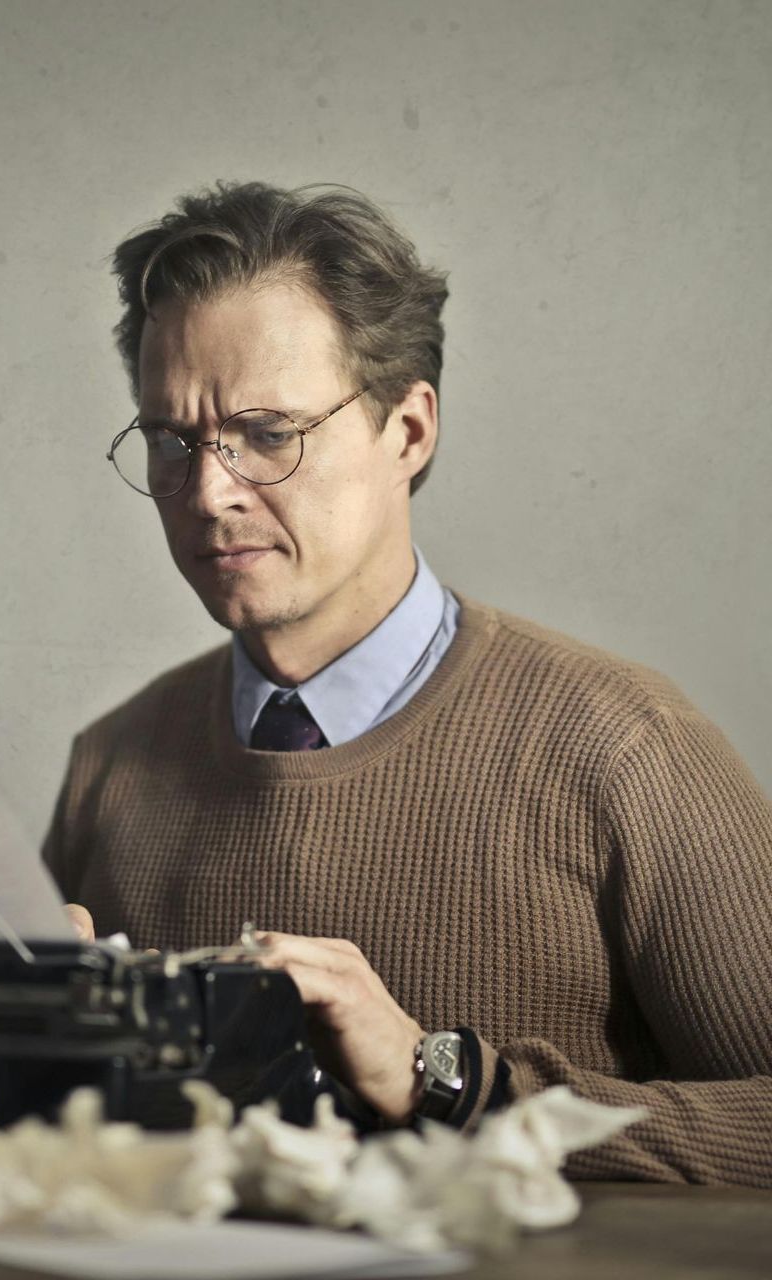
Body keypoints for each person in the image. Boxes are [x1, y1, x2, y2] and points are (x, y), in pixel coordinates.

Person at [43, 181, 772, 1185]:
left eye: (268, 431)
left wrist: (453, 1080)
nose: (210, 493)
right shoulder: (110, 766)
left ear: (409, 431)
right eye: (174, 439)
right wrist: (11, 1049)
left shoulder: (627, 745)